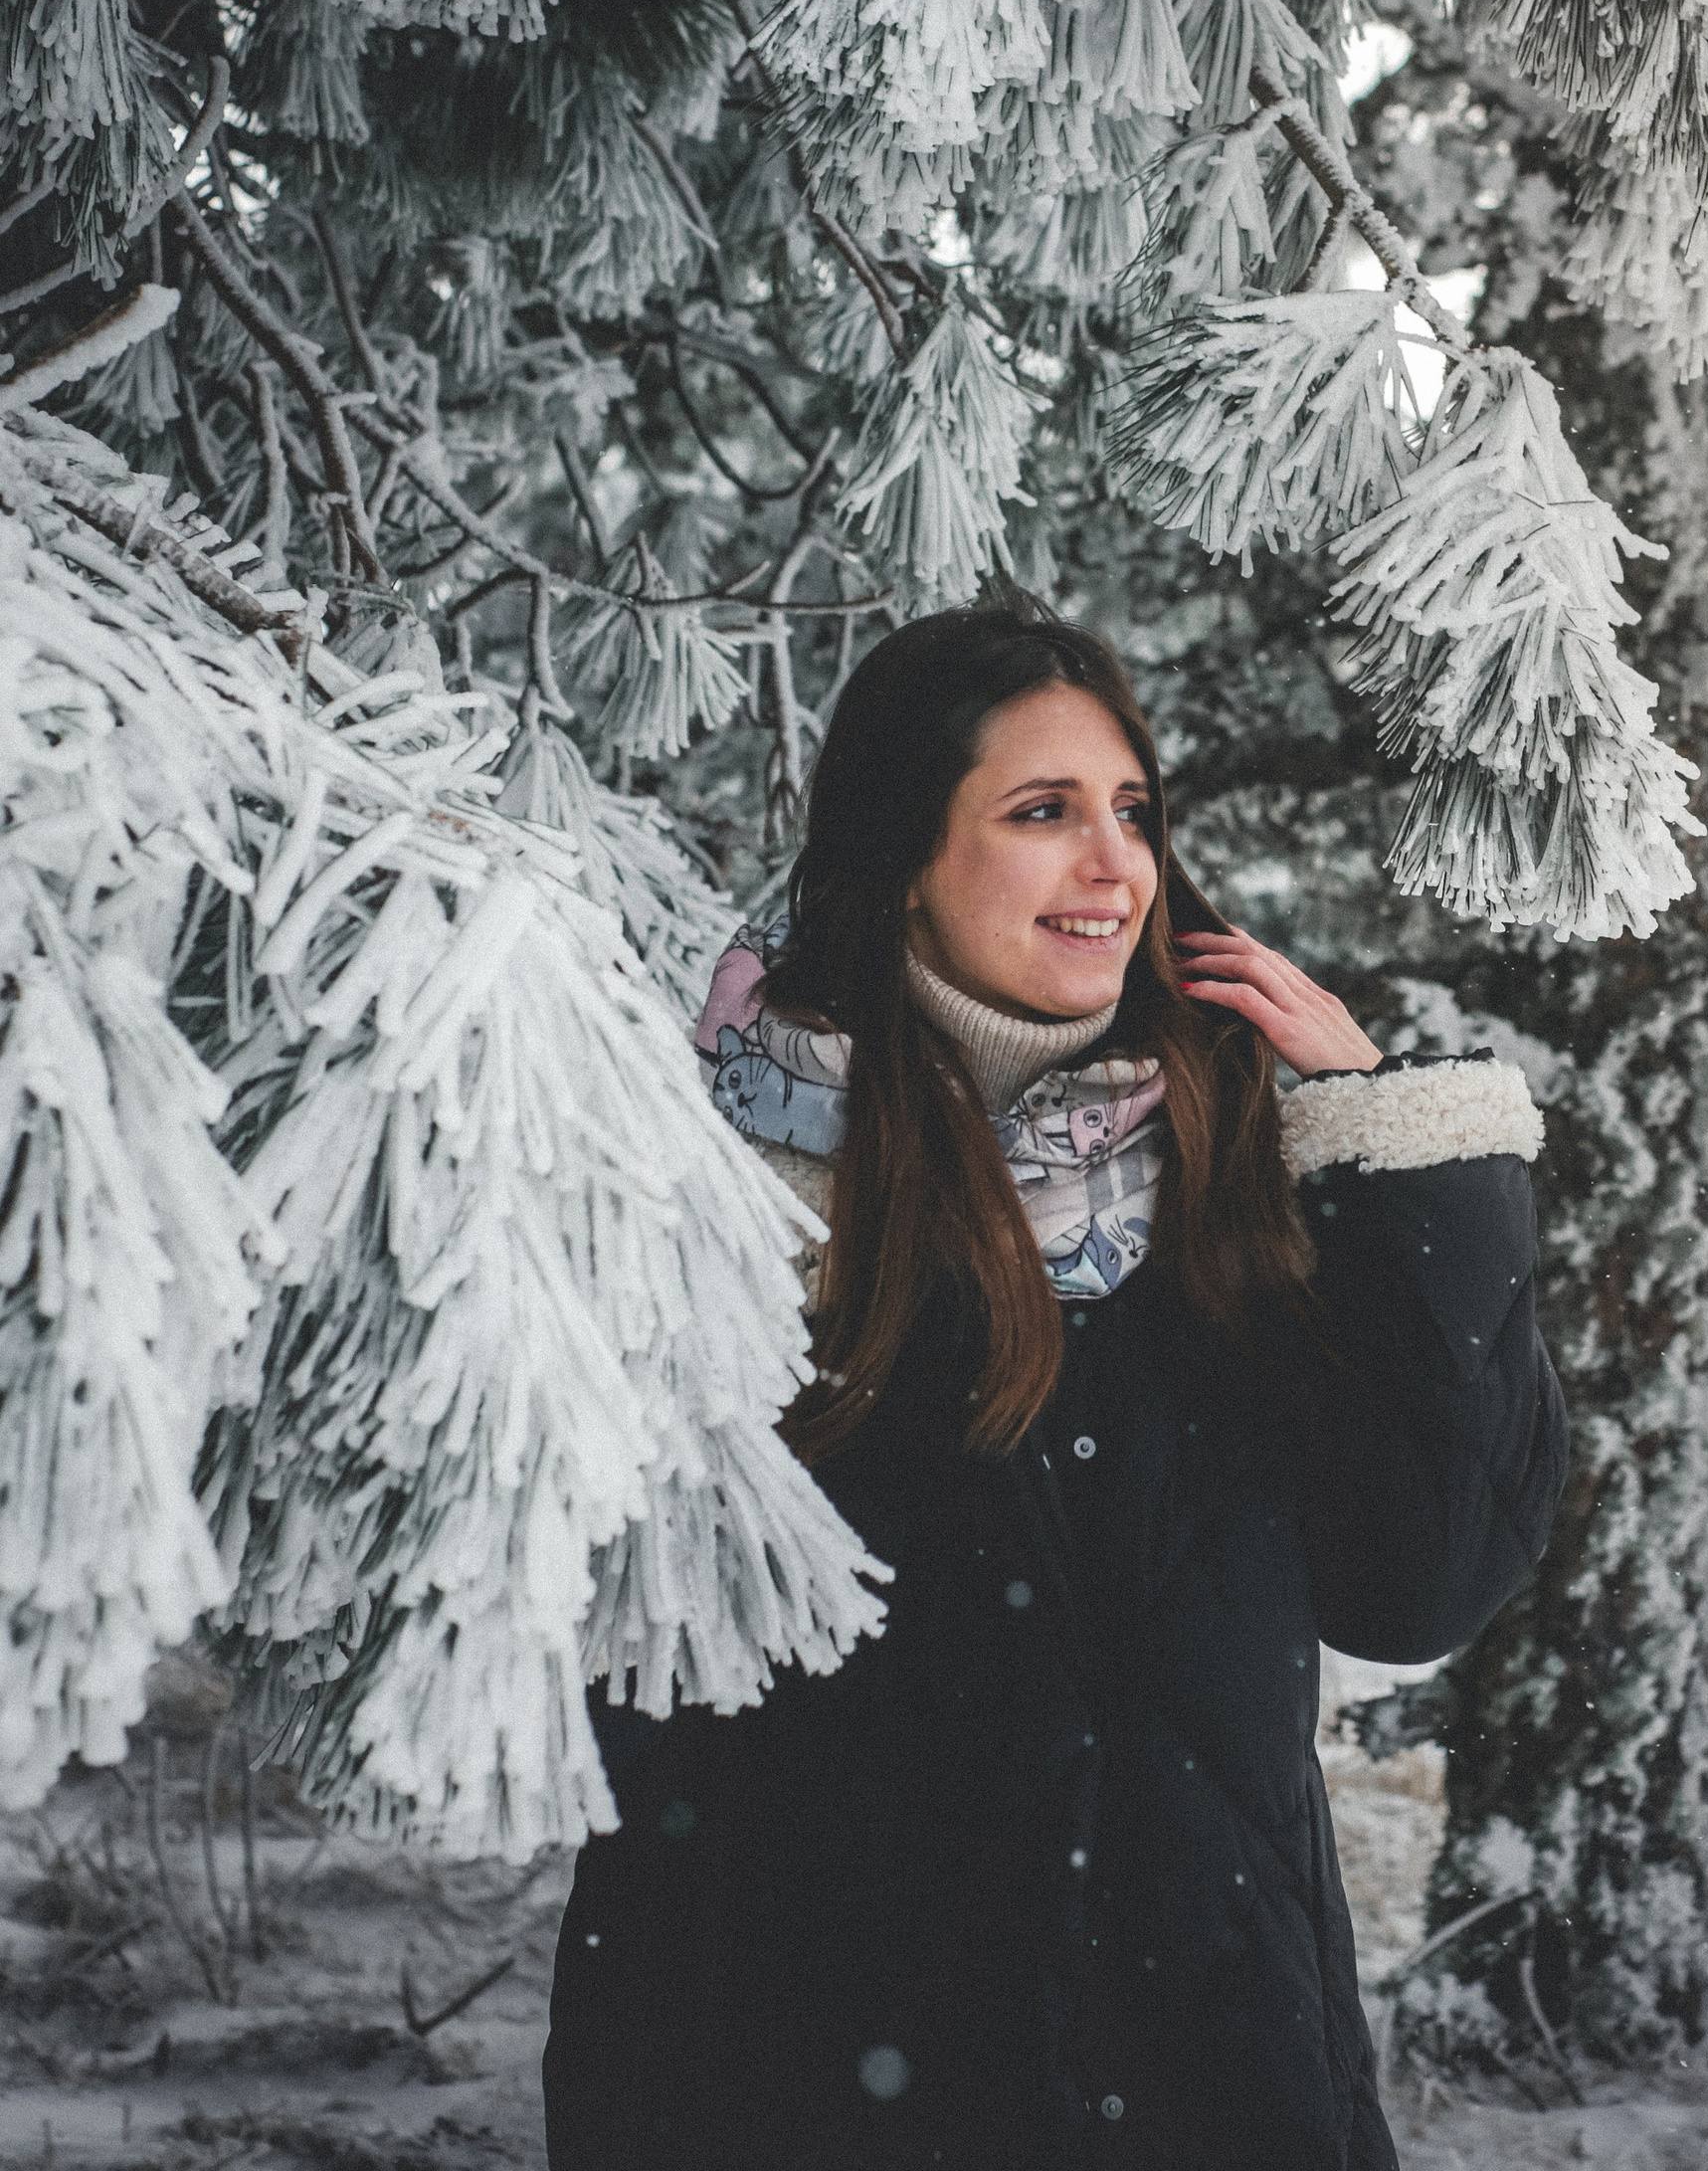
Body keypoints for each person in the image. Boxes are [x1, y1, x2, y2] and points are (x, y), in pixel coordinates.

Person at [542, 599, 1567, 2170]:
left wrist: (1396, 1150)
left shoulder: (1237, 1171)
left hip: (1214, 2080)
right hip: (795, 2082)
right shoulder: (719, 1190)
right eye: (1043, 812)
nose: (1116, 866)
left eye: (1133, 812)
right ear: (904, 851)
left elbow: (1423, 1583)